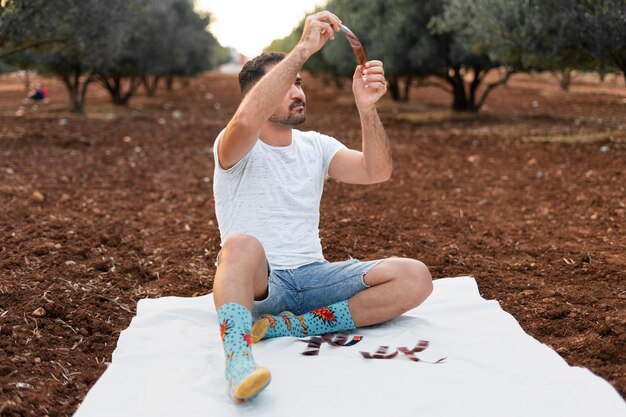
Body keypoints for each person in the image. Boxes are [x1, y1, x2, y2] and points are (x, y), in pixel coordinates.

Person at [212, 11, 433, 403]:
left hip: (315, 278)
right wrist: (302, 49)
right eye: (284, 85)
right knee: (239, 245)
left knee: (414, 276)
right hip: (265, 283)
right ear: (257, 94)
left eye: (298, 83)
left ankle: (294, 326)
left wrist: (367, 108)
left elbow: (375, 171)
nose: (297, 92)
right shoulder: (234, 145)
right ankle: (238, 358)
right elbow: (247, 119)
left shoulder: (316, 146)